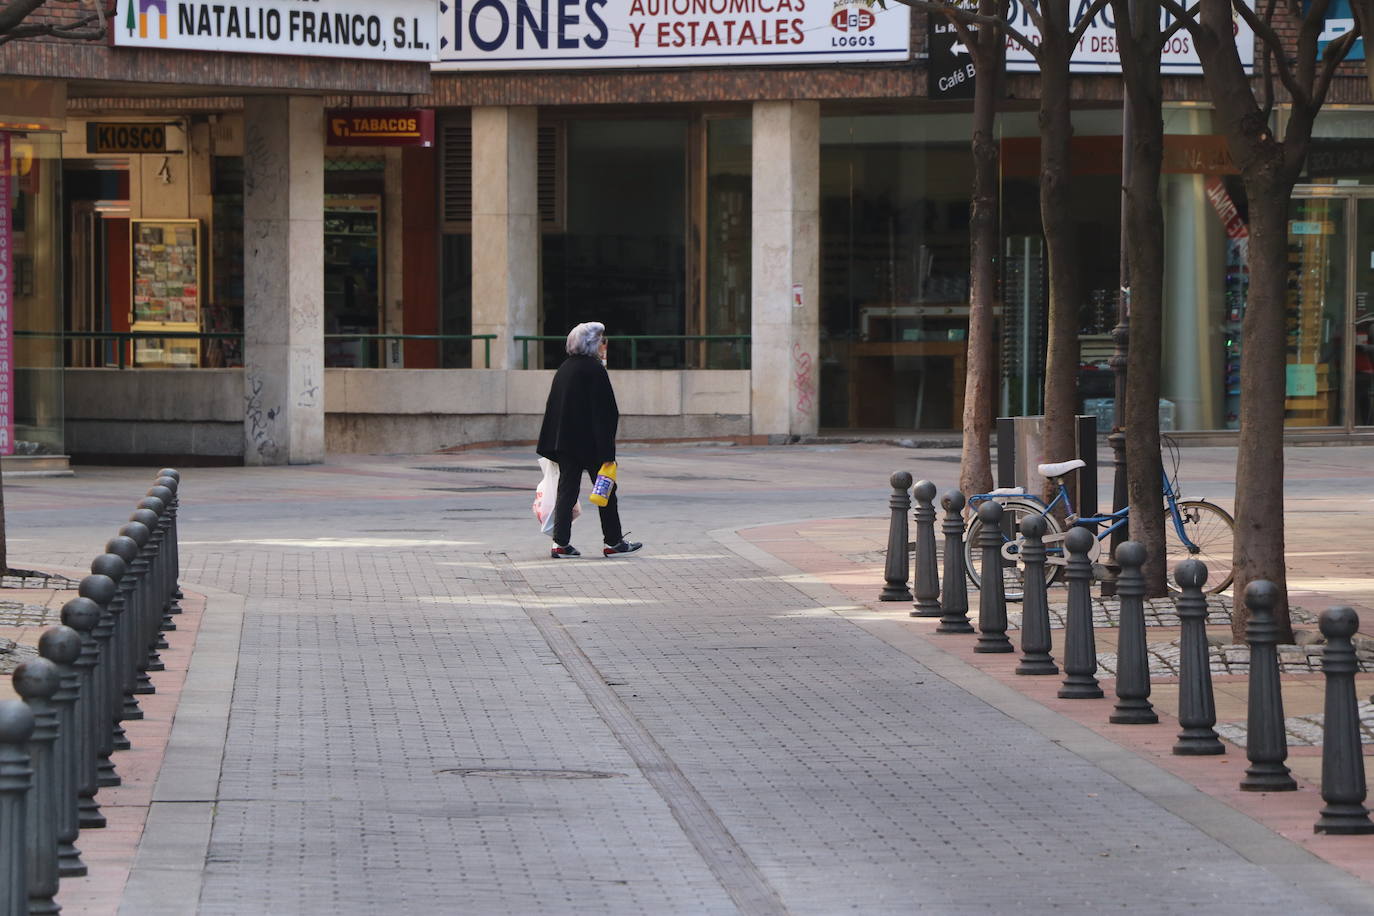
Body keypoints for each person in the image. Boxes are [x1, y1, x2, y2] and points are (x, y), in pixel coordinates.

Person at [536, 322, 643, 559]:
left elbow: (555, 409)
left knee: (567, 491)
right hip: (591, 445)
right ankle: (613, 542)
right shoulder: (594, 370)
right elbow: (604, 413)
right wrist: (608, 452)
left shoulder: (565, 368)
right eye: (602, 340)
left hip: (566, 443)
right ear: (593, 344)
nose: (604, 345)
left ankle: (560, 543)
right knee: (606, 491)